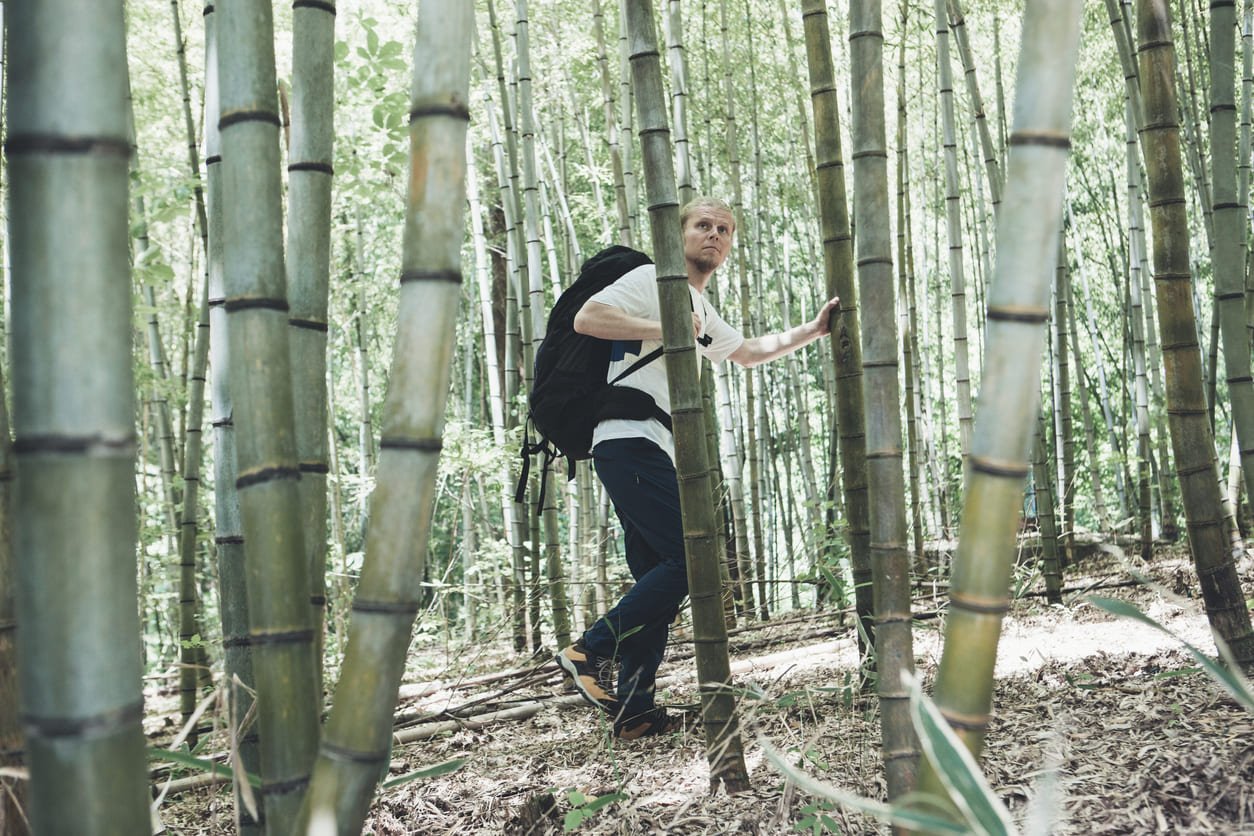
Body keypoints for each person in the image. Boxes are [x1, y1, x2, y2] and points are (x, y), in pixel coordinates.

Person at [555, 197, 839, 739]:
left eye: (724, 229)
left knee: (656, 577)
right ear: (679, 233)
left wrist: (814, 329)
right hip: (627, 438)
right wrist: (666, 325)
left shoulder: (698, 306)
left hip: (649, 445)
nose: (714, 235)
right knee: (690, 560)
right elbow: (587, 318)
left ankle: (635, 711)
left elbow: (747, 352)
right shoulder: (651, 279)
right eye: (703, 225)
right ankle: (589, 649)